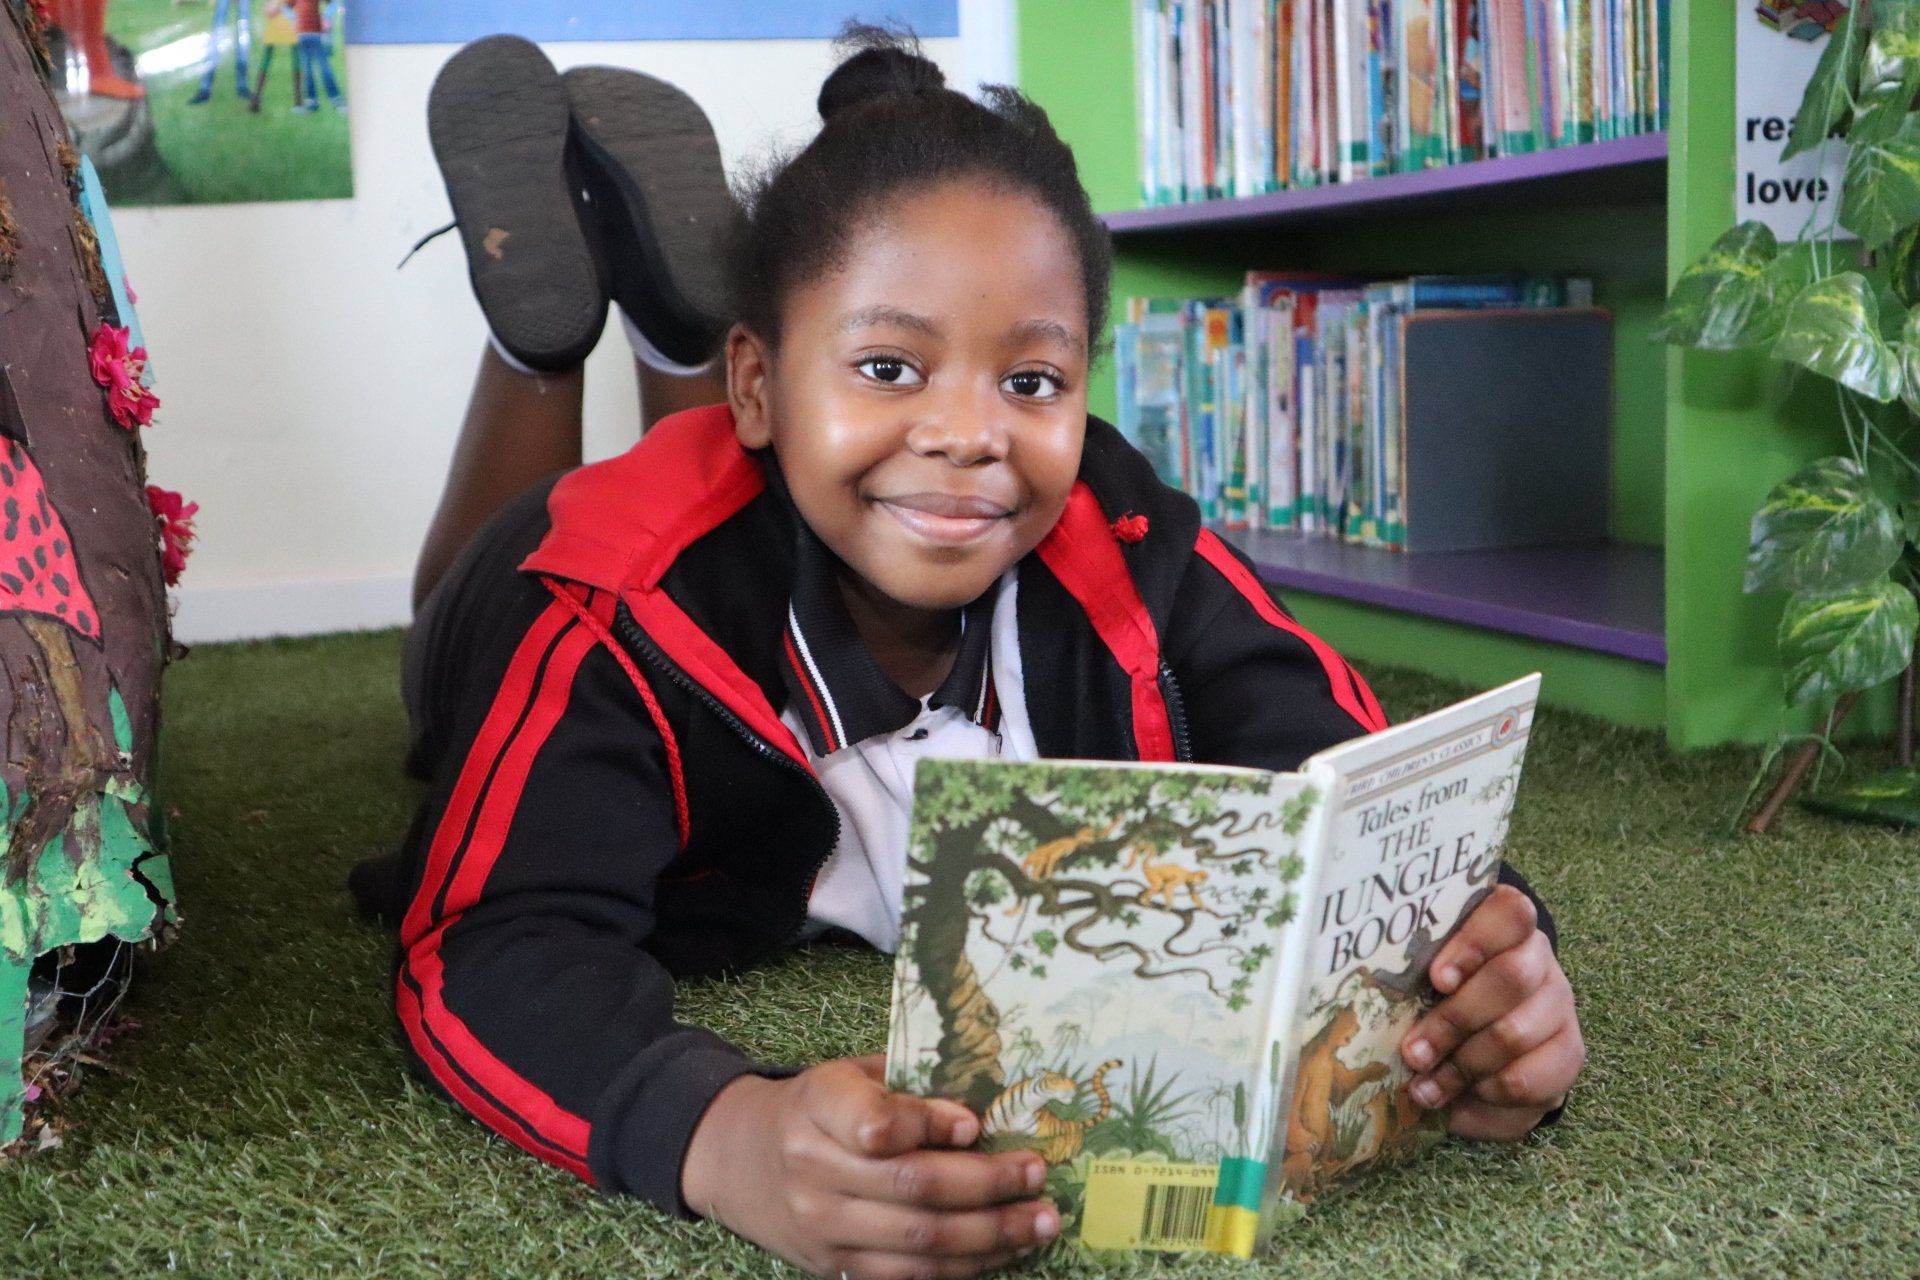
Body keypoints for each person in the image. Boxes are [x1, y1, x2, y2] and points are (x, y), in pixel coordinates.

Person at [354, 26, 1586, 1280]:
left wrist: (1493, 958)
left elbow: (1358, 781)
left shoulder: (1123, 531)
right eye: (891, 366)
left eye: (1032, 380)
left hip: (758, 464)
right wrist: (724, 1136)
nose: (968, 434)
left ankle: (680, 337)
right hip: (526, 571)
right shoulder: (606, 602)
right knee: (444, 631)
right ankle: (541, 348)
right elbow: (490, 943)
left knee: (779, 476)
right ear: (760, 384)